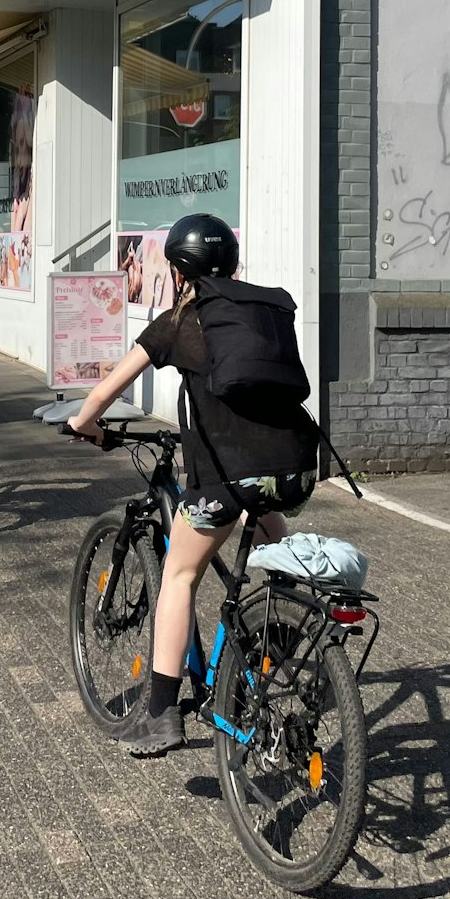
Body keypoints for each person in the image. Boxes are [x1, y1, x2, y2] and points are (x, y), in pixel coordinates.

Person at [67, 212, 318, 756]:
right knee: (263, 515)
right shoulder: (262, 313)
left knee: (180, 575)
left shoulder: (179, 322)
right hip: (294, 468)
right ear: (231, 264)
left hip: (227, 479)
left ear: (179, 271)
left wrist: (82, 424)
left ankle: (160, 714)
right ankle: (287, 623)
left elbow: (108, 389)